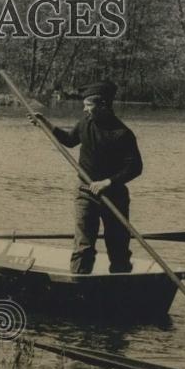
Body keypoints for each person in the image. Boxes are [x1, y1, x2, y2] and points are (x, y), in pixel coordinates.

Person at [29, 81, 143, 274]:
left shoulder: (122, 133)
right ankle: (79, 285)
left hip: (114, 195)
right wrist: (45, 124)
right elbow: (69, 140)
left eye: (88, 105)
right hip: (85, 193)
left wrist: (108, 182)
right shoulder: (85, 124)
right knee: (83, 247)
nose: (84, 109)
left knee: (118, 248)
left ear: (103, 105)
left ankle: (121, 288)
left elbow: (135, 167)